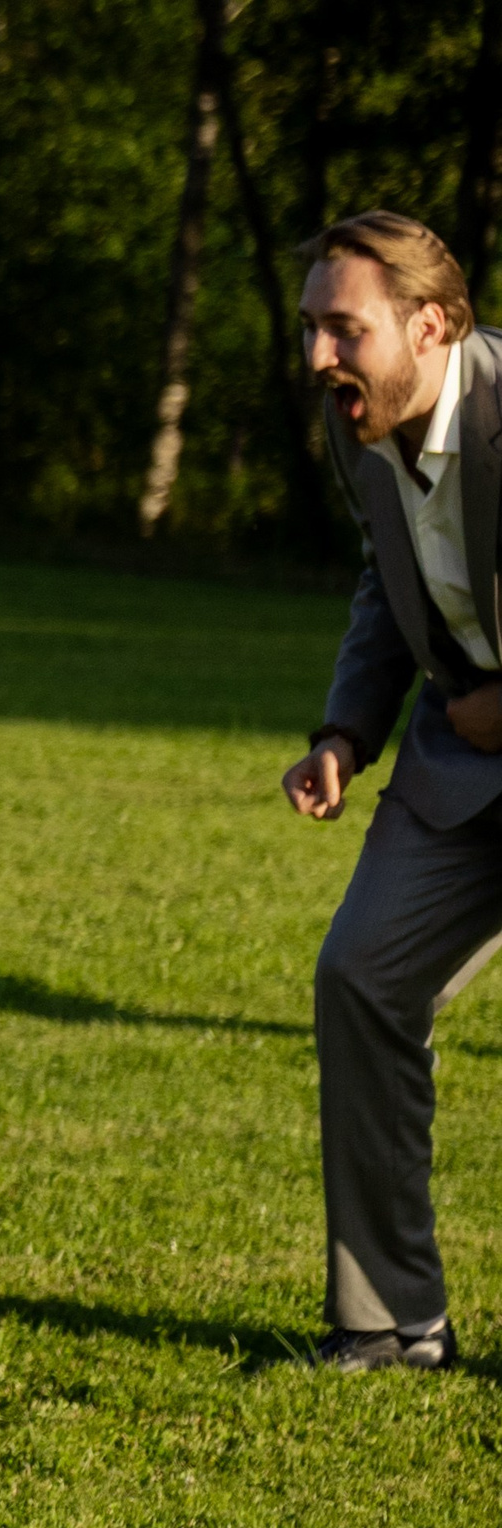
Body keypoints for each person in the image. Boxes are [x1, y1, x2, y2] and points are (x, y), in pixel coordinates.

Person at [282, 209, 502, 1374]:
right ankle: (388, 1324)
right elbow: (389, 581)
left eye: (342, 328)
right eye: (310, 326)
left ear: (432, 323)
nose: (318, 356)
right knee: (361, 974)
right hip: (456, 762)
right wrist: (345, 732)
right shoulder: (355, 424)